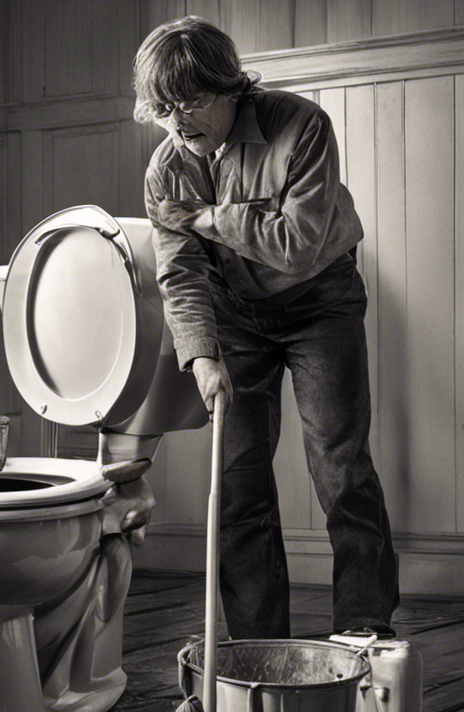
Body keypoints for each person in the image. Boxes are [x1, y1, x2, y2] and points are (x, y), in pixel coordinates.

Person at [133, 16, 398, 640]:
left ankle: (364, 631)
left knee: (341, 467)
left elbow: (299, 246)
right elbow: (181, 275)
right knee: (237, 481)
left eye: (193, 101)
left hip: (320, 303)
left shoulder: (302, 126)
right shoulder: (164, 170)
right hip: (234, 318)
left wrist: (204, 214)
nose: (179, 121)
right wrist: (201, 356)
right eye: (165, 107)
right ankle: (259, 648)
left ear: (231, 88)